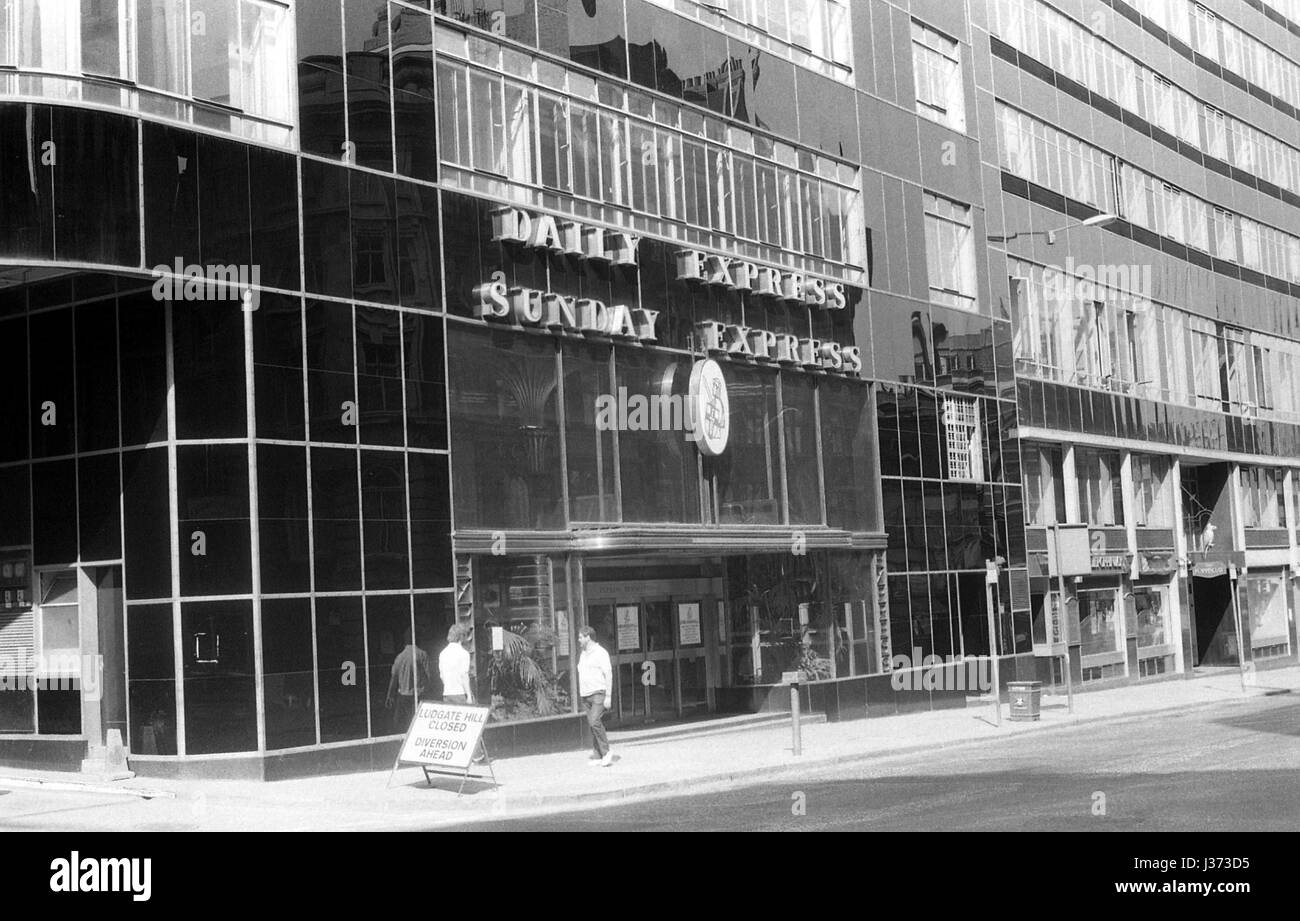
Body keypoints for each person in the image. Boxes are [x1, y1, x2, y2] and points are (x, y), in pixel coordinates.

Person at [577, 625, 614, 767]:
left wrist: (608, 696)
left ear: (588, 637)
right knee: (592, 725)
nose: (579, 640)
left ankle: (606, 752)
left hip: (598, 693)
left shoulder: (601, 653)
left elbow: (608, 674)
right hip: (585, 694)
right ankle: (598, 755)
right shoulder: (583, 653)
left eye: (581, 637)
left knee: (594, 721)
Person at [386, 628, 429, 733]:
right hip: (419, 695)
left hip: (403, 696)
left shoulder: (400, 657)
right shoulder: (422, 654)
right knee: (419, 724)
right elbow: (428, 677)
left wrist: (390, 695)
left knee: (401, 724)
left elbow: (394, 678)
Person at [439, 623, 474, 704]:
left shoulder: (442, 653)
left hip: (447, 694)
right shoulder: (464, 653)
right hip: (460, 694)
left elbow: (442, 676)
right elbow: (464, 675)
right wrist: (469, 695)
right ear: (462, 636)